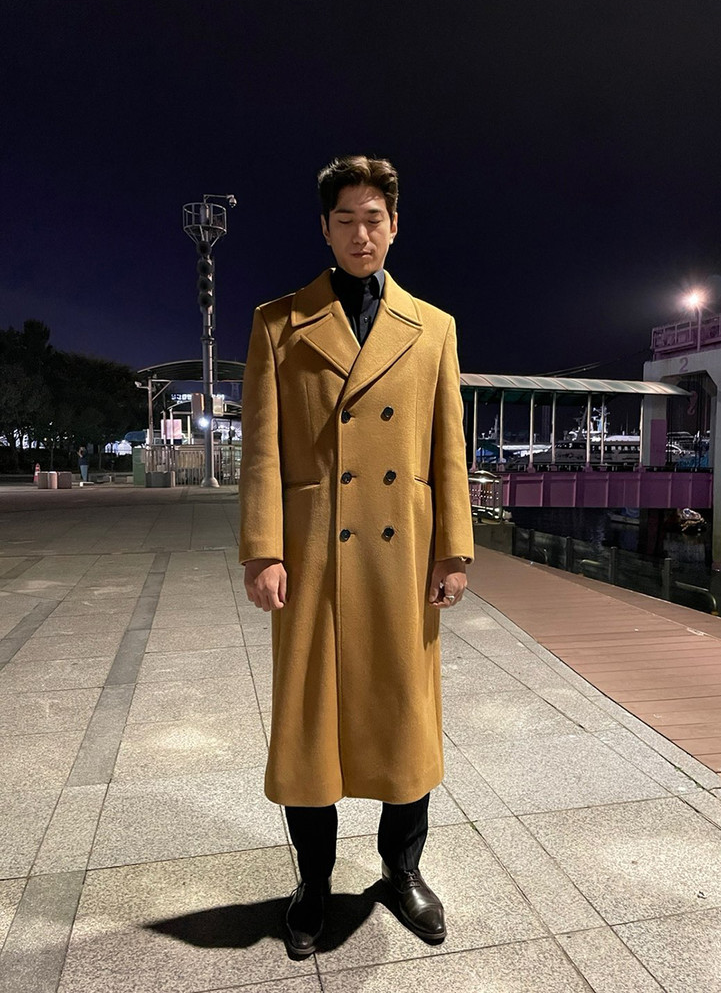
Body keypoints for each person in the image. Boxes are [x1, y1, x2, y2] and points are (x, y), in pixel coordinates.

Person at [239, 155, 473, 956]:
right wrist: (263, 550)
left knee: (404, 718)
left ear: (395, 226)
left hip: (402, 557)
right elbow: (262, 450)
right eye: (346, 220)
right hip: (313, 556)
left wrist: (454, 552)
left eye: (374, 219)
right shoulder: (278, 322)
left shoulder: (433, 327)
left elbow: (448, 450)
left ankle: (402, 874)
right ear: (325, 228)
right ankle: (313, 884)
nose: (361, 234)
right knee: (311, 726)